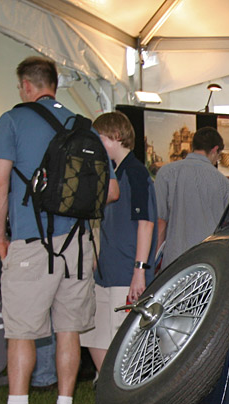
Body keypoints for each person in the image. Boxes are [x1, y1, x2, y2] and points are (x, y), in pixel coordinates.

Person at [0, 56, 118, 404]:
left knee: (21, 331)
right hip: (78, 247)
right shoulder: (82, 125)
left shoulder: (12, 121)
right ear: (54, 85)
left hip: (32, 243)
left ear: (26, 85)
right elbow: (112, 191)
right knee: (69, 329)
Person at [80, 111, 157, 372]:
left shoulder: (135, 173)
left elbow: (146, 223)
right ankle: (106, 394)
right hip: (106, 272)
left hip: (125, 272)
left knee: (120, 340)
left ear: (115, 136)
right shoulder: (115, 174)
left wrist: (139, 271)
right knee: (93, 336)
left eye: (99, 138)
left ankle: (122, 402)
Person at [154, 126, 229, 270]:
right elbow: (228, 228)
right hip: (209, 265)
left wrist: (152, 264)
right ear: (215, 150)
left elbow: (160, 222)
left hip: (173, 264)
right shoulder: (224, 184)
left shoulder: (166, 173)